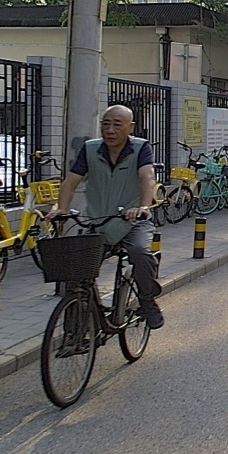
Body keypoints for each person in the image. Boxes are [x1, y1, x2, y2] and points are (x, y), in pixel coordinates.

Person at [49, 105, 164, 329]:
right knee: (77, 270)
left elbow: (147, 177)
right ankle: (75, 330)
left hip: (133, 221)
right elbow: (71, 181)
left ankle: (147, 299)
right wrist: (61, 208)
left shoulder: (140, 148)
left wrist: (142, 206)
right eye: (106, 124)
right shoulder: (90, 149)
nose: (110, 130)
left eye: (117, 125)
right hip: (99, 222)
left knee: (140, 252)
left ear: (131, 127)